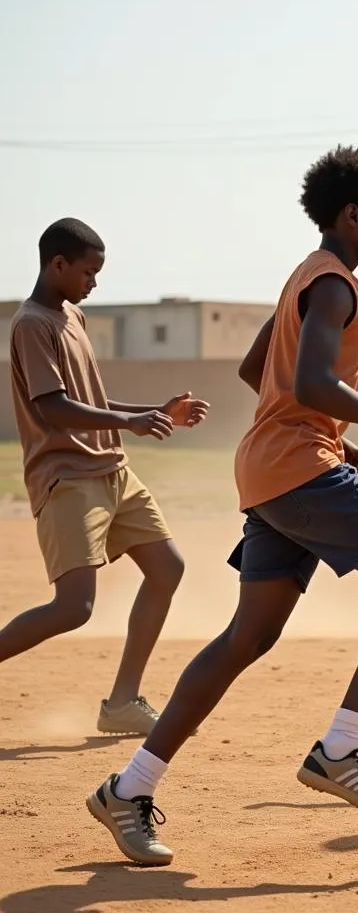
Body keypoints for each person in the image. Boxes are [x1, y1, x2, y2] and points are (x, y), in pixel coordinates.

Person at [88, 146, 358, 866]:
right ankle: (341, 750)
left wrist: (326, 434)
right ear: (354, 215)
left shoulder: (304, 278)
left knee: (246, 638)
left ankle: (128, 788)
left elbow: (261, 371)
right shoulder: (336, 285)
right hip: (293, 469)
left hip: (269, 467)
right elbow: (311, 383)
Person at [1, 218, 207, 737]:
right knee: (74, 608)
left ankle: (122, 701)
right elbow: (53, 408)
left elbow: (91, 401)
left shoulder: (74, 315)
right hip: (68, 476)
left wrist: (154, 411)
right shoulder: (32, 323)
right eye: (89, 272)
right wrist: (129, 423)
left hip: (113, 471)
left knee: (167, 568)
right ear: (58, 265)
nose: (94, 282)